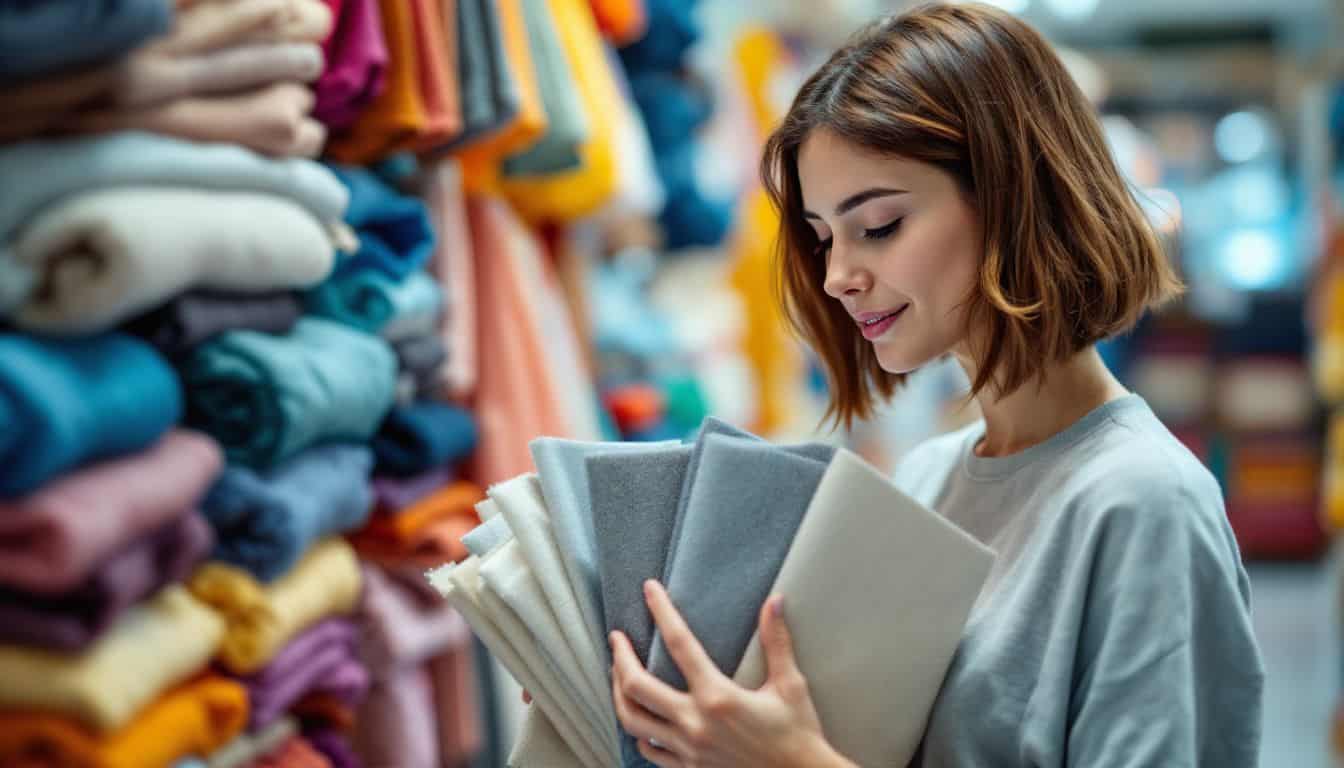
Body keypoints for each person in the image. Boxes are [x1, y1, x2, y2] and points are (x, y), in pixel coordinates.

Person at [603, 3, 1266, 766]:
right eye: (822, 239)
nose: (839, 277)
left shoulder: (1144, 502)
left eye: (878, 225)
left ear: (1014, 196)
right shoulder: (924, 479)